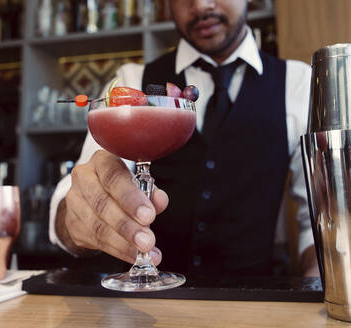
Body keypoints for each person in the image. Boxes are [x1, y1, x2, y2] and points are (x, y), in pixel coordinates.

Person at [49, 0, 319, 281]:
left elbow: (317, 219)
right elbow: (73, 196)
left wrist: (317, 282)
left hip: (253, 305)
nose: (201, 5)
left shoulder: (299, 84)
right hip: (148, 310)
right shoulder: (132, 82)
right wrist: (76, 218)